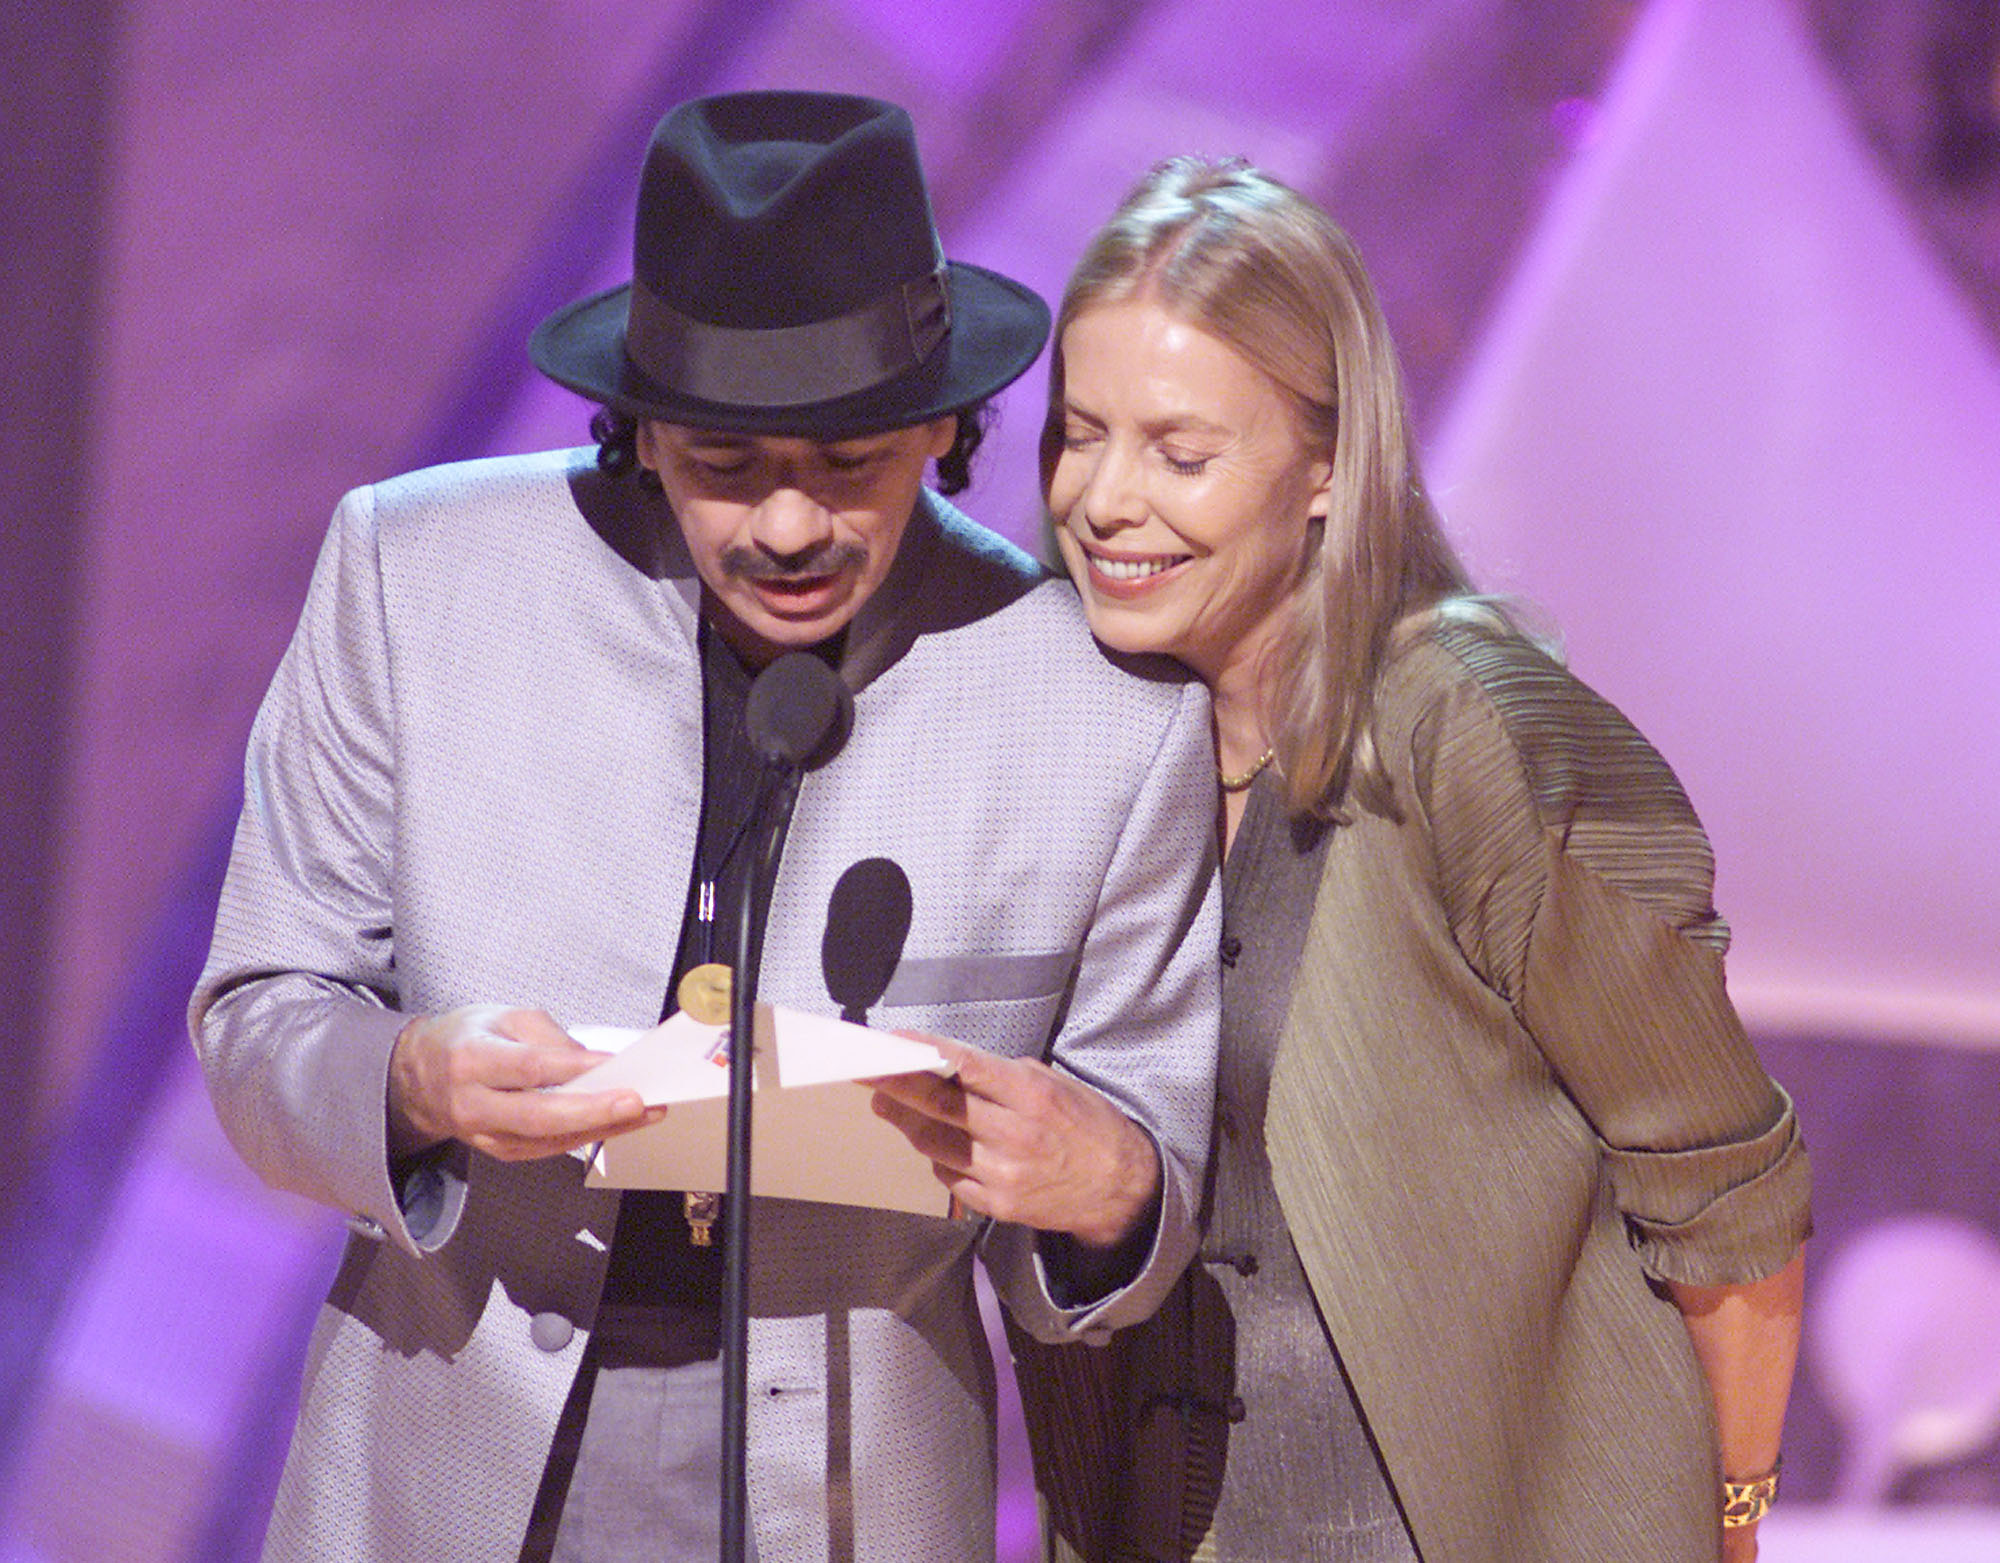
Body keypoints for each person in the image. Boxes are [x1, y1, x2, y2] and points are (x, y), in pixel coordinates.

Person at [189, 92, 1220, 1563]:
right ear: (642, 425)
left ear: (943, 419)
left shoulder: (1105, 711)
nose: (788, 529)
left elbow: (1144, 1171)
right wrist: (410, 1079)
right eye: (728, 466)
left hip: (847, 1494)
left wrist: (1105, 1186)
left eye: (849, 463)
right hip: (444, 1460)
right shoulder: (412, 579)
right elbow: (257, 1019)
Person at [1002, 157, 1813, 1563]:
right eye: (1081, 434)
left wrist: (1729, 1521)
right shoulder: (1073, 749)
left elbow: (1729, 1193)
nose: (1106, 500)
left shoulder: (1477, 732)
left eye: (1180, 453)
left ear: (1327, 466)